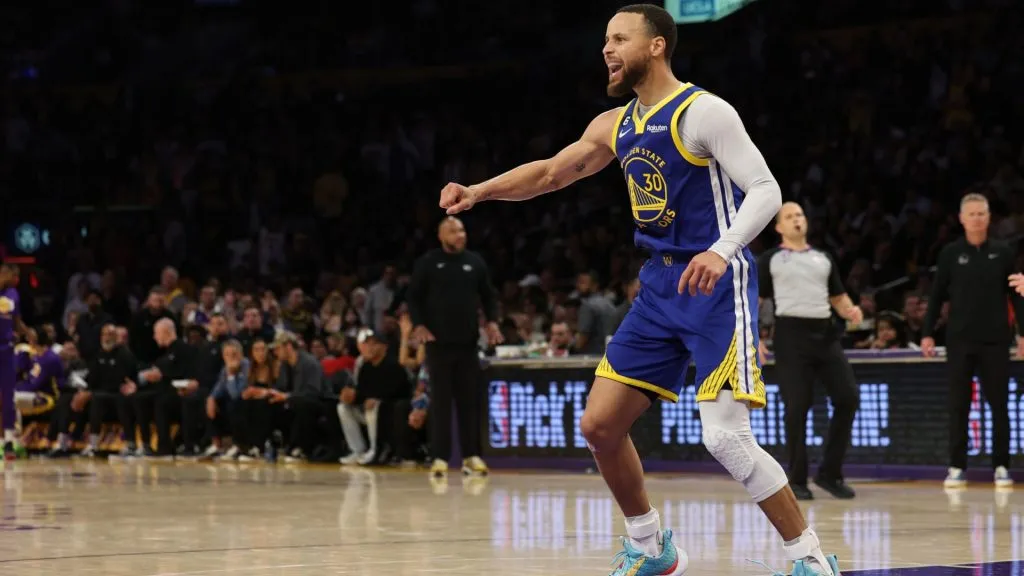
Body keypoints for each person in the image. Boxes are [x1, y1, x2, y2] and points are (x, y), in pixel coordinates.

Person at [437, 5, 839, 575]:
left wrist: (721, 251)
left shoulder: (705, 112)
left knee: (725, 439)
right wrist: (479, 191)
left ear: (656, 46)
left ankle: (812, 560)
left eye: (620, 38)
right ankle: (652, 547)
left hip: (716, 285)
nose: (607, 48)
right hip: (658, 286)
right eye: (605, 39)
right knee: (599, 425)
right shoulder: (615, 124)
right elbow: (552, 172)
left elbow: (766, 189)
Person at [757, 202, 863, 501]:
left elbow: (839, 298)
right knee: (796, 408)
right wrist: (755, 338)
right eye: (789, 217)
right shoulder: (771, 259)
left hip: (825, 333)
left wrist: (851, 311)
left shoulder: (823, 258)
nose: (796, 220)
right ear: (779, 227)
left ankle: (830, 473)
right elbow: (755, 299)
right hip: (791, 335)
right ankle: (798, 478)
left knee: (848, 397)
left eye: (800, 215)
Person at [922, 193, 1024, 489]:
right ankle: (956, 466)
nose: (978, 218)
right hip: (959, 341)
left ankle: (1002, 466)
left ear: (989, 218)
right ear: (962, 218)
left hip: (996, 341)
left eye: (982, 213)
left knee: (999, 405)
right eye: (972, 214)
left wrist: (1022, 333)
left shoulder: (1004, 252)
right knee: (959, 405)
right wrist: (928, 332)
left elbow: (1016, 296)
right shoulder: (950, 254)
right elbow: (937, 296)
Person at [406, 217, 502, 478]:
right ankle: (439, 457)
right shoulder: (428, 263)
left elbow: (489, 296)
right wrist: (419, 325)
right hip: (438, 345)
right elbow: (413, 298)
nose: (460, 234)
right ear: (441, 236)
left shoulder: (474, 262)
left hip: (468, 343)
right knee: (440, 403)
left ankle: (472, 456)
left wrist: (492, 321)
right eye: (453, 231)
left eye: (462, 230)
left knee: (469, 402)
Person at [338, 329, 410, 465]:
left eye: (373, 344)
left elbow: (399, 392)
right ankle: (357, 450)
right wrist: (352, 396)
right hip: (368, 411)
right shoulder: (365, 367)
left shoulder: (394, 366)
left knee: (373, 404)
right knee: (343, 407)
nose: (369, 348)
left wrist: (377, 399)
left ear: (384, 346)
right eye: (367, 344)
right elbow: (362, 392)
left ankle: (374, 450)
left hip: (387, 412)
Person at [133, 318, 200, 459]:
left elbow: (183, 374)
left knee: (161, 401)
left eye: (156, 333)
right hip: (166, 391)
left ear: (165, 332)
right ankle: (145, 444)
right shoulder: (167, 353)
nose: (154, 337)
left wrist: (161, 374)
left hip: (181, 392)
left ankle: (165, 447)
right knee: (139, 398)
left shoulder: (183, 349)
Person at [0, 263, 26, 461]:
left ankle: (8, 440)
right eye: (12, 275)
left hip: (6, 349)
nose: (15, 279)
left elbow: (16, 319)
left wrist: (26, 333)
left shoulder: (13, 294)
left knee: (8, 396)